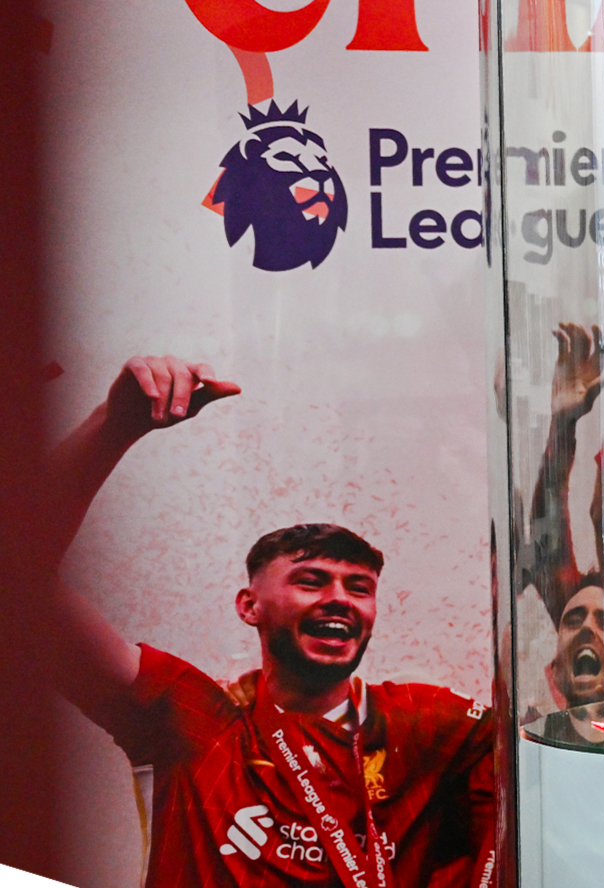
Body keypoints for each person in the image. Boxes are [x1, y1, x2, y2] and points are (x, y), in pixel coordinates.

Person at [50, 356, 493, 887]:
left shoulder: (426, 726)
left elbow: (559, 709)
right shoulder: (195, 724)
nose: (339, 600)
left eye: (359, 588)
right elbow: (17, 584)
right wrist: (114, 427)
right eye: (310, 581)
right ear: (248, 605)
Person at [519, 323, 604, 732]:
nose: (587, 627)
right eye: (573, 621)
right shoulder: (536, 732)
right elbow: (548, 529)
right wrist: (563, 424)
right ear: (554, 660)